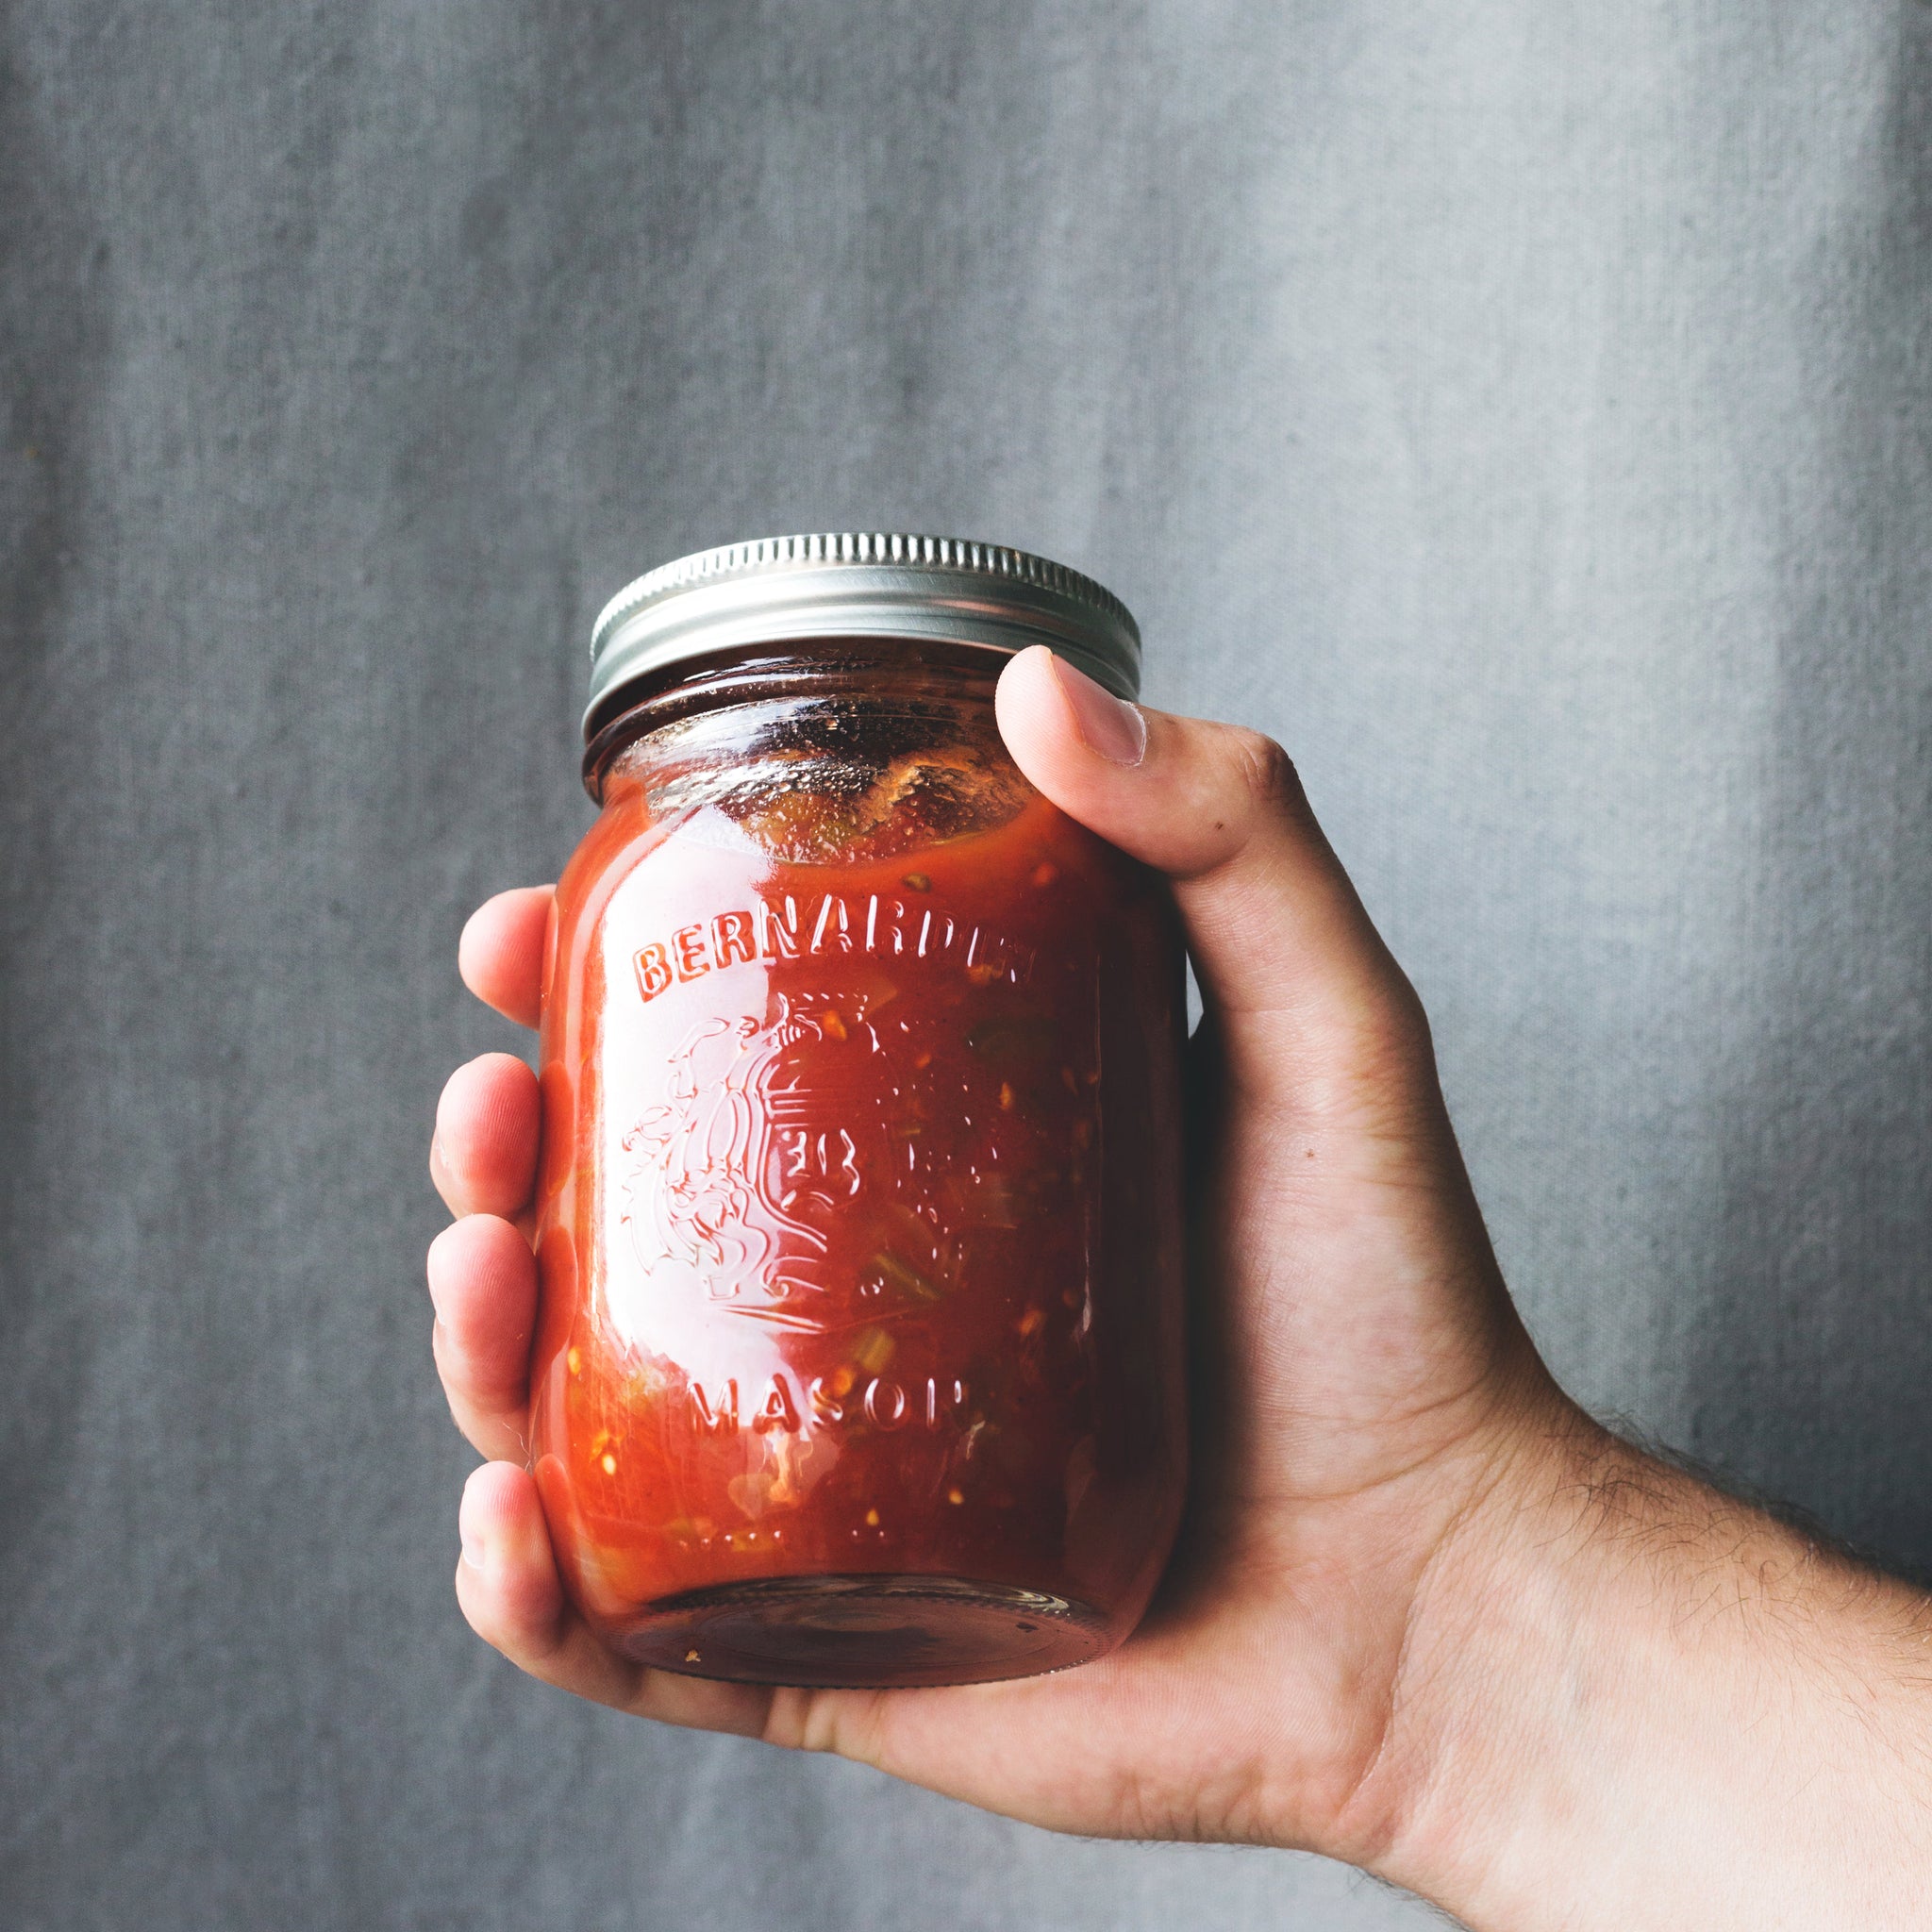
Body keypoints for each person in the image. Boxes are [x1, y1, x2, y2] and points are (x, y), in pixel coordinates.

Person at [426, 645, 1932, 1929]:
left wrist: (1443, 1619)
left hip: (1074, 1546)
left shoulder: (1037, 871)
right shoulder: (643, 868)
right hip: (778, 1551)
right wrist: (1447, 1664)